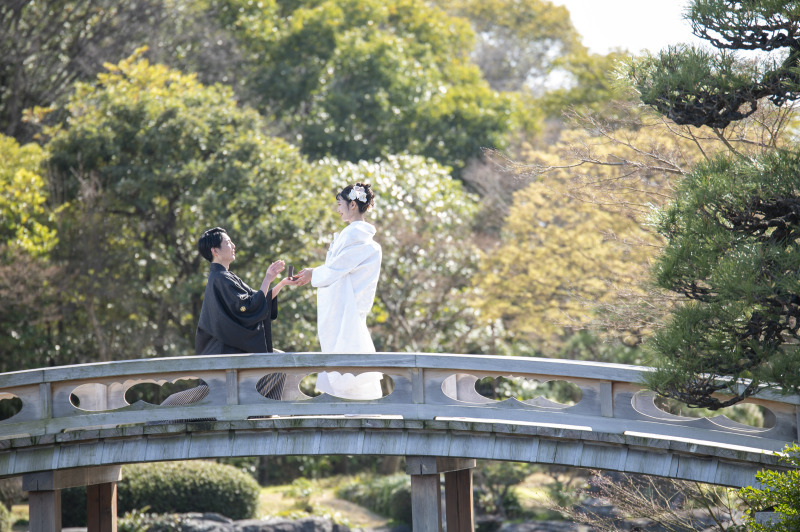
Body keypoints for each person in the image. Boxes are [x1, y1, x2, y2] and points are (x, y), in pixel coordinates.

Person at [295, 183, 383, 400]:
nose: (338, 209)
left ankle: (352, 406)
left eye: (340, 204)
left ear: (353, 204)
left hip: (346, 307)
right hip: (351, 306)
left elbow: (336, 269)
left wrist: (312, 273)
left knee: (346, 356)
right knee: (351, 356)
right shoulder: (368, 243)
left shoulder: (353, 236)